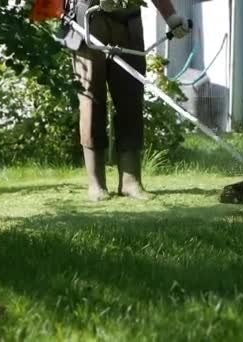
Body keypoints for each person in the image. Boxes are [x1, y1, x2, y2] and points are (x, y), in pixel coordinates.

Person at [69, 0, 190, 202]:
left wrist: (171, 17)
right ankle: (96, 183)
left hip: (128, 22)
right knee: (91, 100)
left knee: (130, 99)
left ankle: (130, 181)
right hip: (89, 19)